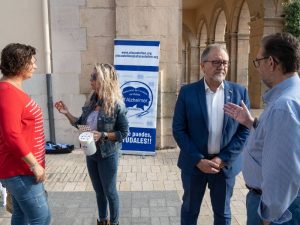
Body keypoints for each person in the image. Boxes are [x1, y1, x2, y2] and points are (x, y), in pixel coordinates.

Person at [224, 32, 300, 225]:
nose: (257, 69)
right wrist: (251, 123)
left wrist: (269, 214)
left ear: (271, 62)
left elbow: (283, 169)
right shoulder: (290, 96)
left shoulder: (283, 105)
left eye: (258, 62)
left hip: (278, 209)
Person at [173, 44, 250, 225]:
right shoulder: (187, 92)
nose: (221, 66)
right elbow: (178, 129)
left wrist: (222, 159)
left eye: (224, 62)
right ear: (202, 65)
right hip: (194, 166)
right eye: (216, 62)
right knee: (190, 211)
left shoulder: (239, 92)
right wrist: (198, 160)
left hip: (224, 167)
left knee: (223, 214)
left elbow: (244, 130)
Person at [55, 63, 129, 225]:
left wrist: (103, 134)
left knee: (109, 192)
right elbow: (82, 125)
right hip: (91, 154)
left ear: (104, 80)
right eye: (91, 76)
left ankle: (114, 222)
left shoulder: (117, 105)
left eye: (94, 77)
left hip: (108, 154)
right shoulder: (91, 102)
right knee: (98, 191)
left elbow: (124, 133)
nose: (90, 80)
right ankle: (103, 221)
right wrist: (66, 113)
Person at [0, 43, 51, 224]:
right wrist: (34, 164)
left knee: (21, 215)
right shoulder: (7, 92)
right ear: (20, 64)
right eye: (32, 62)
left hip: (20, 170)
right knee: (42, 218)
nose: (35, 66)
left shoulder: (11, 90)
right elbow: (11, 134)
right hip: (20, 170)